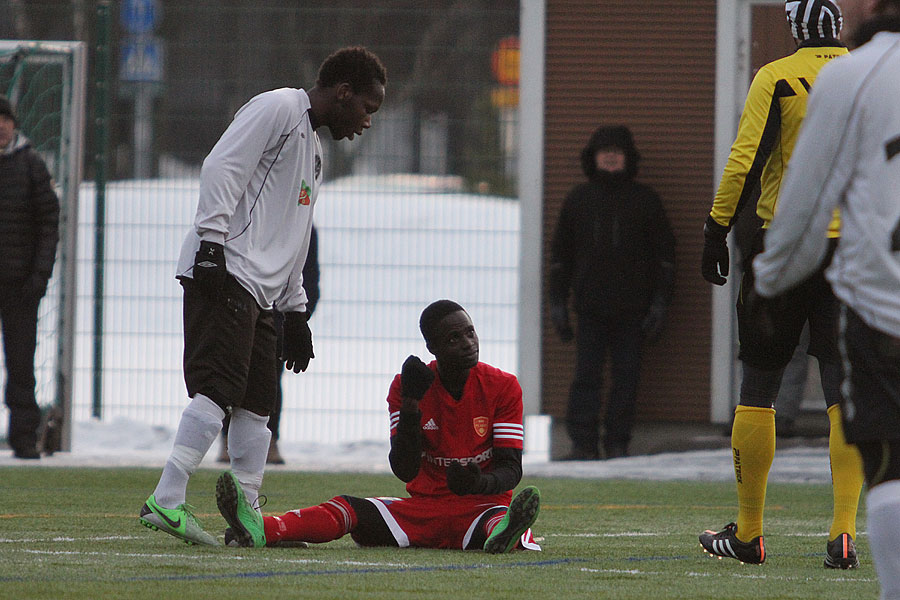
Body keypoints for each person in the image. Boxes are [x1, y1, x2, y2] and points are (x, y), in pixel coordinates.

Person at [139, 47, 387, 546]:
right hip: (226, 269)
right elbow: (220, 167)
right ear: (343, 93)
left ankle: (249, 510)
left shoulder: (315, 152)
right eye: (367, 108)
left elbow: (297, 236)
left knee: (258, 403)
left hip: (264, 294)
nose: (365, 122)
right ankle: (166, 499)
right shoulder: (277, 107)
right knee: (218, 387)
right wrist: (210, 243)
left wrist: (296, 311)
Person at [698, 1, 864, 569]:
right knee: (845, 389)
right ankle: (843, 531)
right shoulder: (870, 75)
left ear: (796, 28)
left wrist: (717, 228)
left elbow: (745, 160)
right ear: (837, 26)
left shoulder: (778, 76)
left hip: (786, 244)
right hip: (852, 250)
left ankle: (749, 532)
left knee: (760, 382)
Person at [752, 0, 900, 593]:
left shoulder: (851, 74)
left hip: (882, 305)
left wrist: (771, 280)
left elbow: (808, 200)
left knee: (890, 464)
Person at [215, 300, 542, 553]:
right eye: (453, 338)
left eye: (470, 332)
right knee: (345, 506)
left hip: (483, 510)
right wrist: (412, 406)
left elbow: (511, 469)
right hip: (422, 512)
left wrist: (478, 482)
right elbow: (404, 469)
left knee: (502, 518)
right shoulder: (407, 385)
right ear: (433, 348)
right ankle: (261, 529)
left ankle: (507, 533)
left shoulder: (503, 386)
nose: (468, 342)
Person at [548, 125, 675, 460]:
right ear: (593, 157)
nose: (610, 157)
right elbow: (560, 257)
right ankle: (583, 444)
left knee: (626, 379)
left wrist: (660, 305)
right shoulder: (578, 200)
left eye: (616, 152)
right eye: (604, 152)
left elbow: (666, 258)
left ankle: (618, 443)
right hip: (589, 308)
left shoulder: (646, 201)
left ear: (628, 158)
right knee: (585, 377)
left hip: (633, 310)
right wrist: (557, 304)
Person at [217, 224, 320, 465]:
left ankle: (269, 442)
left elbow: (309, 274)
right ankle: (228, 440)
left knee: (269, 378)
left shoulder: (303, 223)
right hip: (238, 305)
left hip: (279, 312)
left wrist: (299, 314)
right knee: (230, 374)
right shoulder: (244, 218)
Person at [0, 95, 60, 460]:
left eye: (5, 120)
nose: (1, 127)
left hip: (21, 286)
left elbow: (49, 225)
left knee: (21, 364)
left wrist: (39, 277)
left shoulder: (32, 166)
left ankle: (24, 437)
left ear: (14, 124)